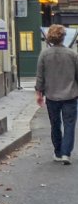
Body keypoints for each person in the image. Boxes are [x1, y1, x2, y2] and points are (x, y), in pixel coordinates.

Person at [35, 24, 78, 164]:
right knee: (69, 124)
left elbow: (40, 76)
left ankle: (58, 152)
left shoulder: (44, 54)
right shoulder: (72, 54)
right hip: (70, 95)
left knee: (55, 124)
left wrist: (39, 94)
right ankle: (66, 153)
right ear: (63, 37)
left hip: (52, 95)